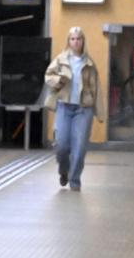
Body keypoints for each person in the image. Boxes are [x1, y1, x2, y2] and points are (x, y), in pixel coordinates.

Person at [43, 26, 106, 192]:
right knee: (62, 145)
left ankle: (75, 180)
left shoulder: (90, 64)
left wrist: (100, 112)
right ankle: (64, 170)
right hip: (64, 107)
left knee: (79, 147)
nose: (75, 42)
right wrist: (59, 80)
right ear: (68, 41)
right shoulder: (61, 59)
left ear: (83, 41)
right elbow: (48, 76)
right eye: (72, 39)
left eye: (79, 39)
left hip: (83, 109)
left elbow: (96, 90)